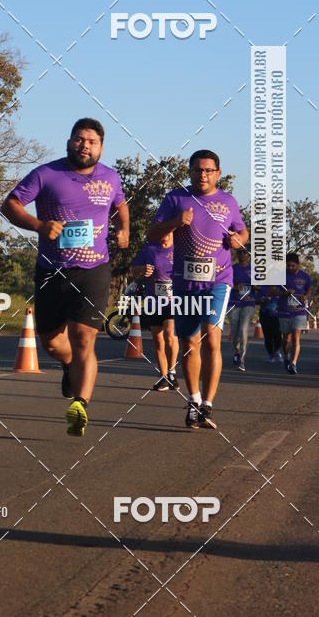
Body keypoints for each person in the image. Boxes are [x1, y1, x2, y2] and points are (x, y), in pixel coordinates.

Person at [0, 118, 129, 436]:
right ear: (69, 141)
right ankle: (69, 365)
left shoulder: (110, 178)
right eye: (79, 139)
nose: (85, 145)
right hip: (51, 271)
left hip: (94, 270)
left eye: (92, 141)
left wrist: (124, 227)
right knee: (51, 342)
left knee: (85, 338)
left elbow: (120, 203)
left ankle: (80, 405)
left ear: (101, 148)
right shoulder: (46, 174)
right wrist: (39, 226)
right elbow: (10, 205)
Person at [147, 149, 248, 430]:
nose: (202, 175)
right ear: (189, 172)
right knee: (190, 343)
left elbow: (242, 231)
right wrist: (176, 222)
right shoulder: (175, 198)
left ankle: (208, 405)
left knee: (212, 340)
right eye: (197, 170)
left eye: (208, 170)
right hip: (183, 284)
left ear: (217, 173)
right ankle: (193, 402)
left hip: (218, 281)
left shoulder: (228, 201)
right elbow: (152, 234)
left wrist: (238, 239)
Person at [131, 233, 179, 392]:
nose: (163, 234)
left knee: (170, 333)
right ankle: (164, 377)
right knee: (158, 340)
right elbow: (134, 270)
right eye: (160, 230)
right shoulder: (149, 248)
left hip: (174, 301)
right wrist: (142, 270)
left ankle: (172, 372)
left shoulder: (180, 248)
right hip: (154, 301)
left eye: (166, 230)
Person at [278, 252, 311, 375]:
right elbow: (272, 290)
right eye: (288, 265)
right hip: (284, 311)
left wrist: (305, 297)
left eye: (293, 265)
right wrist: (284, 293)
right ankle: (286, 357)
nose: (290, 268)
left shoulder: (305, 276)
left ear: (298, 264)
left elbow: (308, 290)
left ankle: (293, 363)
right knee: (286, 339)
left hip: (299, 311)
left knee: (296, 338)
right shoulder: (280, 276)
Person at [228, 249, 256, 372]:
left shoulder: (254, 270)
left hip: (248, 303)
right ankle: (237, 350)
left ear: (249, 255)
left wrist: (256, 291)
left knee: (244, 328)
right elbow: (225, 284)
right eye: (239, 252)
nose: (242, 255)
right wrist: (235, 287)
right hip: (234, 303)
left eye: (245, 252)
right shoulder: (232, 269)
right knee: (234, 332)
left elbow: (261, 287)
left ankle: (242, 360)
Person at [259, 286, 282, 363]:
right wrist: (263, 299)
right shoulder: (263, 286)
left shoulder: (281, 286)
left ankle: (277, 351)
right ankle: (271, 354)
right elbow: (257, 299)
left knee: (277, 333)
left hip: (277, 314)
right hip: (264, 313)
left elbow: (285, 296)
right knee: (267, 335)